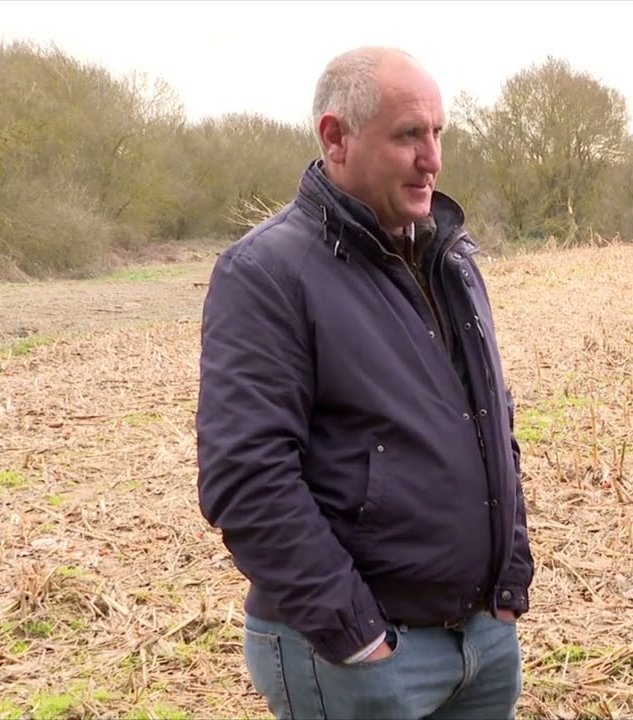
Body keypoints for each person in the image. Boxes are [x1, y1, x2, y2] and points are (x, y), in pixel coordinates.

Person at [195, 46, 533, 720]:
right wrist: (357, 637)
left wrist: (508, 581)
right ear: (335, 137)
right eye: (409, 135)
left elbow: (494, 425)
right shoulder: (267, 273)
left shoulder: (451, 260)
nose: (432, 158)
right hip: (359, 660)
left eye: (438, 133)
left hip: (481, 641)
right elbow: (246, 477)